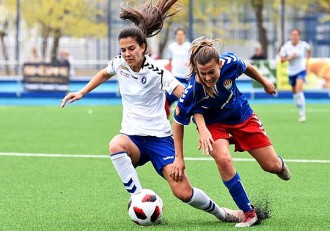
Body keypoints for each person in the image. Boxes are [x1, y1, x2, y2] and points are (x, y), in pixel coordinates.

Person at [61, 0, 242, 224]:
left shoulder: (158, 73)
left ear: (143, 48)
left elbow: (188, 97)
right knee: (115, 145)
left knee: (183, 193)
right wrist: (82, 92)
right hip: (133, 138)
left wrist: (201, 126)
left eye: (131, 49)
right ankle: (138, 197)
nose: (127, 54)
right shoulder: (119, 64)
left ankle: (222, 213)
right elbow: (104, 73)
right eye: (123, 50)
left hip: (159, 139)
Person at [171, 38, 291, 228]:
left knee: (272, 166)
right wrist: (179, 158)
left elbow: (247, 67)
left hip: (241, 116)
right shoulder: (191, 90)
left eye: (212, 72)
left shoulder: (230, 63)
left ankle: (279, 164)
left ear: (219, 64)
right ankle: (249, 213)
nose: (208, 77)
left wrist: (265, 82)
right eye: (203, 74)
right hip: (214, 125)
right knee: (224, 160)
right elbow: (177, 123)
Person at [279, 29, 311, 122]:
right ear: (291, 36)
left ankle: (302, 114)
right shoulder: (286, 46)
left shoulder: (303, 44)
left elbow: (309, 50)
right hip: (291, 72)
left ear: (299, 36)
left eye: (296, 35)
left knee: (299, 89)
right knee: (295, 92)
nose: (295, 37)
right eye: (293, 35)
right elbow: (281, 59)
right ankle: (298, 103)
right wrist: (290, 58)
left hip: (301, 70)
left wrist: (308, 61)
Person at [165, 28, 191, 117]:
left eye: (181, 34)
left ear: (184, 36)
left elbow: (194, 61)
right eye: (178, 34)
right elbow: (169, 61)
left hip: (187, 77)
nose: (180, 36)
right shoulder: (171, 47)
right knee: (168, 97)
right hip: (176, 76)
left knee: (189, 97)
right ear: (176, 36)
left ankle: (190, 117)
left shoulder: (189, 46)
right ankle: (165, 117)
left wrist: (190, 64)